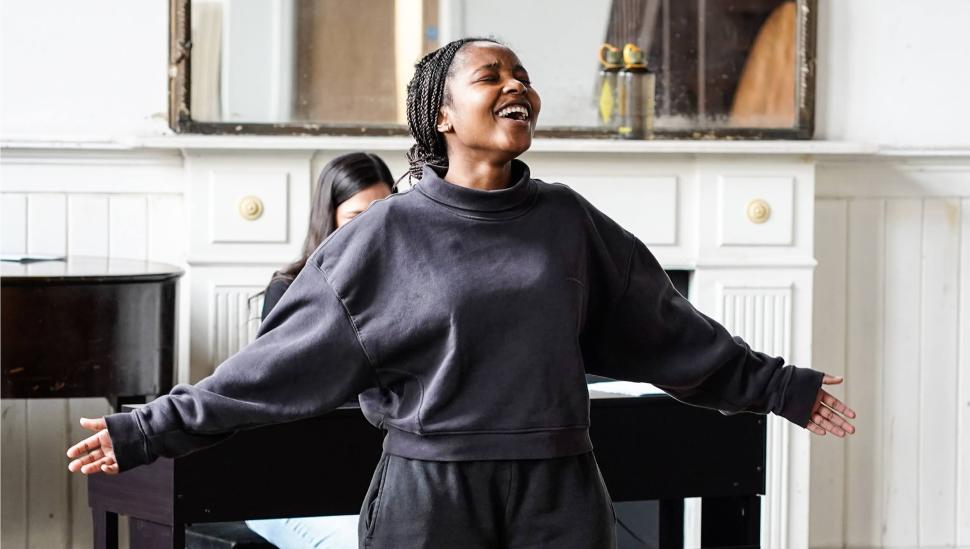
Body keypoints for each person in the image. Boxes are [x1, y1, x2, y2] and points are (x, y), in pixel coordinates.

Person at [67, 37, 856, 549]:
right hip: (428, 498)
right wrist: (148, 428)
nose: (518, 87)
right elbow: (270, 367)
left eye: (524, 78)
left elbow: (667, 328)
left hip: (562, 490)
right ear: (442, 114)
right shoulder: (382, 236)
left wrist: (778, 386)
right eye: (492, 77)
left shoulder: (568, 221)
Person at [245, 152, 394, 549]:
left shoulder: (406, 286)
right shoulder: (289, 289)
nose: (372, 228)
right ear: (329, 219)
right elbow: (277, 402)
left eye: (382, 212)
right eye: (355, 216)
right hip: (290, 489)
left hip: (375, 483)